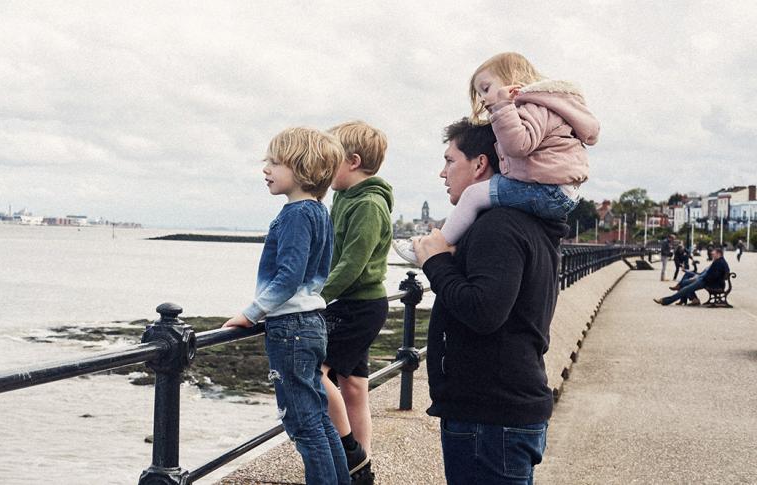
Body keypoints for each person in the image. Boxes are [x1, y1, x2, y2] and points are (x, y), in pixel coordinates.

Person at [413, 119, 566, 484]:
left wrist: (435, 262)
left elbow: (483, 311)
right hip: (501, 412)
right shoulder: (522, 222)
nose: (442, 172)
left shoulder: (497, 226)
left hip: (490, 417)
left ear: (480, 164)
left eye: (450, 161)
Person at [223, 126, 349, 485]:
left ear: (303, 168)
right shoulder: (319, 212)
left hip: (291, 327)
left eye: (275, 163)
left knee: (304, 424)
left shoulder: (295, 214)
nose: (266, 169)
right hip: (311, 322)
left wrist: (250, 313)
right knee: (319, 418)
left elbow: (289, 277)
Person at [395, 52, 599, 265]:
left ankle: (434, 246)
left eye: (486, 89)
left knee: (474, 195)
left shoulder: (533, 108)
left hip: (549, 190)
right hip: (558, 191)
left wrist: (503, 107)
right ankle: (455, 247)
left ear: (512, 81)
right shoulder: (544, 109)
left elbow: (518, 146)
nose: (482, 99)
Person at [317, 121, 393, 484]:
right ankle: (362, 469)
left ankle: (350, 451)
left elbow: (352, 263)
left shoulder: (369, 204)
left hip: (358, 306)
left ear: (352, 161)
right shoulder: (343, 197)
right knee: (354, 385)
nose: (322, 167)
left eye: (329, 160)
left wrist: (317, 298)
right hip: (352, 303)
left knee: (316, 374)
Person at [655, 246, 729, 305]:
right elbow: (712, 274)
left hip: (710, 283)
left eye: (713, 254)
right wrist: (699, 277)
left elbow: (713, 276)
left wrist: (699, 278)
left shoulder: (719, 263)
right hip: (705, 280)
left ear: (718, 254)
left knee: (685, 289)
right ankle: (686, 299)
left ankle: (665, 301)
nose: (712, 255)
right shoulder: (718, 261)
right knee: (684, 283)